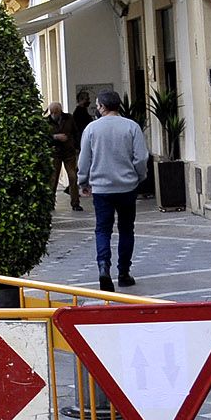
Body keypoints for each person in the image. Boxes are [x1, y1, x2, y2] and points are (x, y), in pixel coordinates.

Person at [77, 89, 150, 291]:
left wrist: (83, 182)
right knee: (126, 229)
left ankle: (103, 268)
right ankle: (124, 272)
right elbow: (141, 157)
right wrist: (139, 176)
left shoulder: (92, 129)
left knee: (103, 229)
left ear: (101, 106)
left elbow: (84, 159)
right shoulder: (132, 127)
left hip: (101, 188)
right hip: (127, 187)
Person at [46, 101, 82, 211]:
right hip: (55, 153)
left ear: (60, 111)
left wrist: (76, 147)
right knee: (53, 179)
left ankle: (75, 203)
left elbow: (76, 132)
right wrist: (55, 137)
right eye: (52, 112)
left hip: (69, 152)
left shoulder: (69, 118)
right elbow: (44, 137)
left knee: (73, 177)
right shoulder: (46, 122)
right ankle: (50, 203)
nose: (54, 114)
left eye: (56, 112)